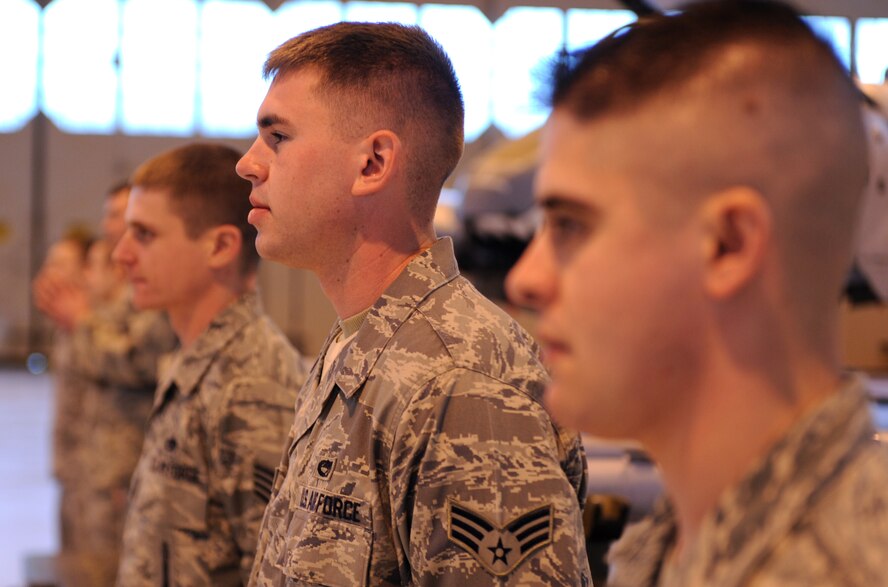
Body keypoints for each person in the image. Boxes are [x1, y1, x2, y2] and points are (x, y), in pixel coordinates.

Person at [505, 1, 888, 586]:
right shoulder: (666, 545)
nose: (524, 280)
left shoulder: (846, 569)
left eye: (571, 225)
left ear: (728, 246)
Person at [235, 22, 590, 586]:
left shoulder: (460, 385)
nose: (248, 164)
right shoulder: (361, 344)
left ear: (373, 163)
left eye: (278, 137)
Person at [113, 143, 308, 586]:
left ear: (220, 246)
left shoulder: (252, 386)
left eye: (144, 234)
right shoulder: (198, 362)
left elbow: (274, 571)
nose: (120, 255)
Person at [33, 183, 177, 585]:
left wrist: (80, 320)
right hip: (89, 466)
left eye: (119, 215)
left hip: (121, 469)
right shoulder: (122, 291)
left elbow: (133, 359)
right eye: (112, 215)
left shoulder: (150, 290)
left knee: (105, 571)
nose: (111, 225)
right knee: (79, 568)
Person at [32, 230, 94, 550]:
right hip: (71, 469)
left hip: (97, 475)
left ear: (87, 270)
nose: (51, 272)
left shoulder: (99, 327)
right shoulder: (68, 329)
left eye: (62, 263)